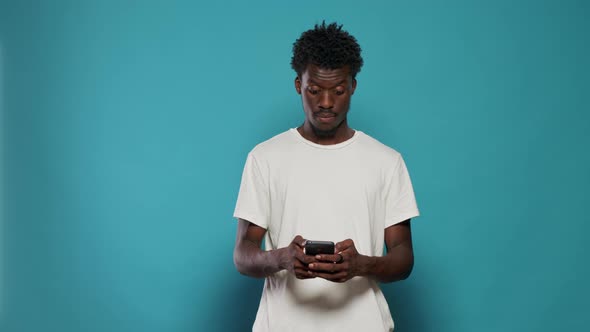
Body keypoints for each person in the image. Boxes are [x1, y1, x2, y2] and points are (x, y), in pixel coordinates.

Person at [233, 21, 420, 332]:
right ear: (298, 85)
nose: (326, 103)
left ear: (353, 86)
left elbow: (404, 258)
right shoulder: (264, 158)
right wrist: (282, 258)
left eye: (339, 90)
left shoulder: (387, 161)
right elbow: (243, 255)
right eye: (315, 90)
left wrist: (362, 264)